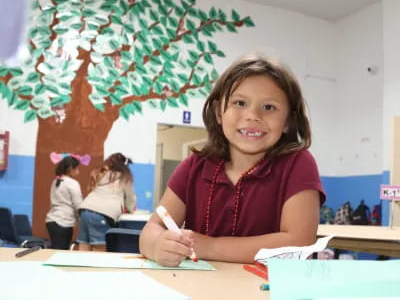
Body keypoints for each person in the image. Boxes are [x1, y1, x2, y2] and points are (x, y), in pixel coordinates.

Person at [140, 54, 326, 266]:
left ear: (288, 122)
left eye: (269, 107)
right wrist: (158, 245)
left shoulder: (298, 164)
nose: (252, 115)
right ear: (219, 112)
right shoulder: (194, 166)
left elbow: (298, 242)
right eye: (240, 103)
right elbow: (150, 231)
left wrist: (208, 246)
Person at [77, 152, 136, 251]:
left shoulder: (102, 174)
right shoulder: (124, 178)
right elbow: (130, 199)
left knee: (84, 243)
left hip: (85, 210)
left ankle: (79, 266)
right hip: (102, 214)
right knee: (100, 247)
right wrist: (130, 209)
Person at [45, 156, 83, 250]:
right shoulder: (72, 183)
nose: (78, 171)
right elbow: (78, 205)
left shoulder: (56, 181)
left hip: (52, 221)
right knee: (61, 252)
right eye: (77, 168)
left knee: (57, 250)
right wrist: (82, 218)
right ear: (70, 169)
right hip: (63, 222)